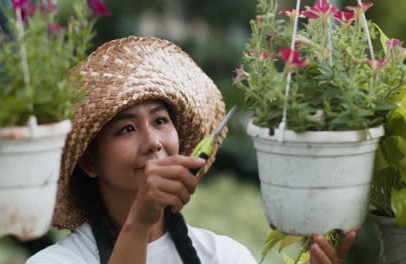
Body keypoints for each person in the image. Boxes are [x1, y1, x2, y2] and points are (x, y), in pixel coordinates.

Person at [26, 36, 356, 264]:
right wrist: (138, 222)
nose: (153, 141)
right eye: (126, 129)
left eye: (160, 120)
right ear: (89, 162)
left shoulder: (224, 256)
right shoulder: (58, 260)